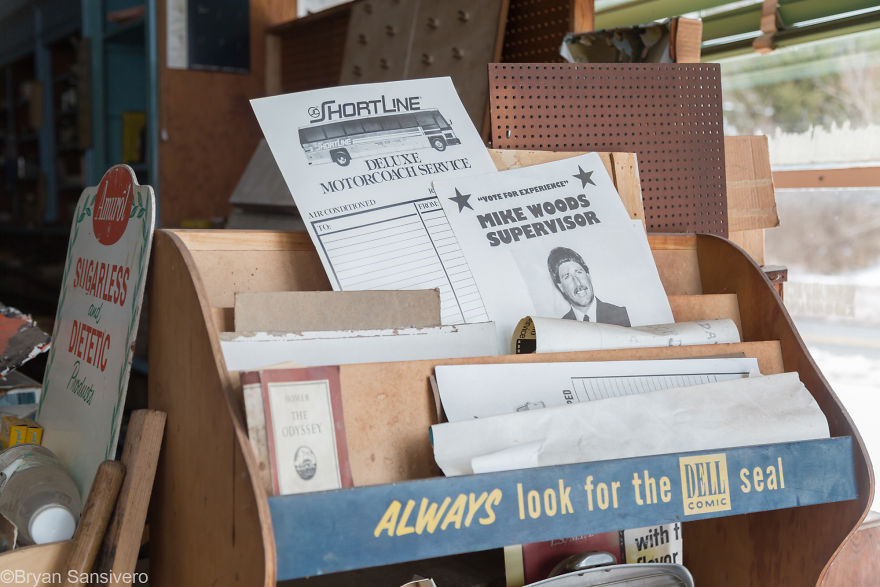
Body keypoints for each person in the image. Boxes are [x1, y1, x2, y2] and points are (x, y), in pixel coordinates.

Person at [546, 247, 630, 326]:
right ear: (561, 287)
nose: (577, 282)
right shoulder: (561, 329)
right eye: (567, 276)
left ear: (588, 276)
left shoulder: (623, 315)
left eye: (578, 272)